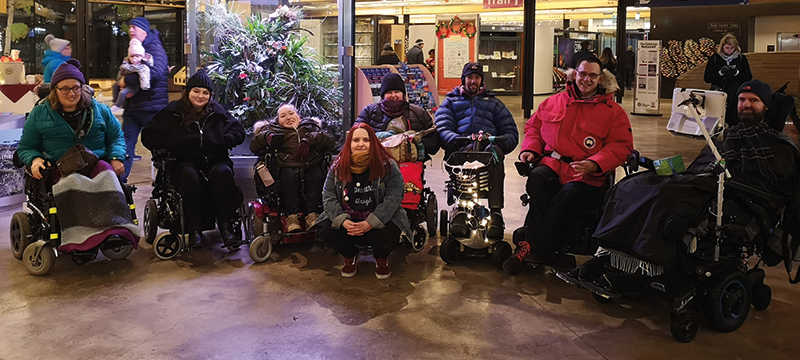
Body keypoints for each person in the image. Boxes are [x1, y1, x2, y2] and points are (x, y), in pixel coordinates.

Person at [569, 80, 799, 289]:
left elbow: (772, 187)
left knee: (664, 197)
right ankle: (609, 256)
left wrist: (720, 177)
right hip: (702, 180)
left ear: (766, 106)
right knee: (632, 185)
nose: (746, 105)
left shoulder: (778, 145)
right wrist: (652, 165)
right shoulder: (726, 135)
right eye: (742, 100)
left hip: (738, 196)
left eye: (754, 101)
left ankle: (646, 271)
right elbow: (698, 166)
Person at [503, 56, 634, 275]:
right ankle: (544, 246)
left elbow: (621, 146)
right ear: (575, 74)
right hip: (553, 166)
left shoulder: (613, 112)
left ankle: (530, 245)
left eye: (593, 75)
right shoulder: (553, 101)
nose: (587, 79)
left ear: (601, 79)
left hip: (588, 177)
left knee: (569, 194)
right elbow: (533, 128)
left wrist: (594, 163)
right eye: (583, 74)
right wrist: (530, 150)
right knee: (538, 179)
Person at [141, 70, 246, 248]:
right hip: (183, 162)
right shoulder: (172, 112)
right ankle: (193, 229)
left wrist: (221, 141)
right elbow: (148, 135)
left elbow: (239, 131)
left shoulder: (217, 112)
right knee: (189, 177)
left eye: (205, 92)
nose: (200, 96)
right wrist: (172, 143)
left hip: (214, 161)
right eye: (196, 91)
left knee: (224, 174)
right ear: (187, 91)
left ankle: (226, 227)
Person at [435, 62, 519, 240]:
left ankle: (495, 213)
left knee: (494, 155)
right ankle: (462, 209)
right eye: (470, 77)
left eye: (477, 78)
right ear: (463, 79)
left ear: (481, 80)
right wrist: (455, 139)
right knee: (465, 155)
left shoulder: (494, 103)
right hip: (462, 147)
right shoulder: (450, 102)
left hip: (488, 149)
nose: (473, 81)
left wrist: (502, 143)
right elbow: (442, 126)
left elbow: (510, 130)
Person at [316, 123, 410, 280]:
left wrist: (371, 223)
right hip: (350, 221)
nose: (361, 144)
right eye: (356, 140)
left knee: (390, 232)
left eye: (366, 140)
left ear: (373, 143)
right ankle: (350, 255)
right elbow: (328, 194)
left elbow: (394, 196)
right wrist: (343, 221)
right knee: (326, 231)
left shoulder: (387, 165)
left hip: (377, 221)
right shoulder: (338, 166)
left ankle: (381, 258)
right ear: (349, 143)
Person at [18, 59, 126, 179]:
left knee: (107, 176)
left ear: (82, 88)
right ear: (55, 90)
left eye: (75, 88)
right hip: (59, 168)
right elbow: (26, 147)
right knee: (72, 182)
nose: (71, 94)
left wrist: (116, 157)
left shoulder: (101, 111)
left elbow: (116, 137)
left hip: (97, 163)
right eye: (64, 89)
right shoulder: (39, 114)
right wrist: (35, 159)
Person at [250, 104, 336, 232]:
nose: (288, 117)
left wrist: (309, 139)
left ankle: (312, 215)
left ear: (299, 116)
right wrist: (268, 136)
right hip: (286, 165)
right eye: (283, 116)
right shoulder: (274, 130)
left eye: (291, 113)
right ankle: (291, 217)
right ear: (278, 121)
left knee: (317, 174)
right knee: (288, 176)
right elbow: (254, 146)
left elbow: (331, 141)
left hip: (311, 163)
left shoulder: (311, 127)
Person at [120, 17, 169, 183]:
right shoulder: (136, 48)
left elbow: (154, 73)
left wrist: (126, 81)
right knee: (124, 144)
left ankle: (165, 181)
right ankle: (119, 184)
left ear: (144, 31)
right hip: (134, 106)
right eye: (130, 28)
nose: (131, 31)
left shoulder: (154, 48)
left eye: (134, 27)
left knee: (159, 147)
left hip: (152, 106)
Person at [355, 73, 440, 160]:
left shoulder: (419, 113)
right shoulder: (369, 112)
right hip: (376, 164)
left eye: (397, 91)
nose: (393, 95)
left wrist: (416, 144)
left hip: (410, 166)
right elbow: (355, 135)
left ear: (403, 94)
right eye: (389, 92)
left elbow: (434, 143)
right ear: (383, 95)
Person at [704, 34, 752, 126]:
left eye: (732, 48)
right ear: (722, 47)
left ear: (736, 47)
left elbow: (748, 77)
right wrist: (720, 73)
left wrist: (737, 73)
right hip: (718, 92)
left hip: (735, 94)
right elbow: (707, 78)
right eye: (727, 48)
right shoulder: (715, 59)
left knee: (734, 118)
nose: (729, 51)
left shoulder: (741, 59)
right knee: (717, 118)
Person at [111, 39, 153, 114]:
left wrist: (144, 87)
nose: (135, 59)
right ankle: (115, 101)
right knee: (115, 86)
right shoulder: (126, 65)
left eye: (137, 56)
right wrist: (119, 81)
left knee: (122, 93)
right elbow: (121, 72)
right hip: (125, 84)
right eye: (132, 56)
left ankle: (117, 106)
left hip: (133, 86)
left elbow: (144, 76)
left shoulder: (142, 67)